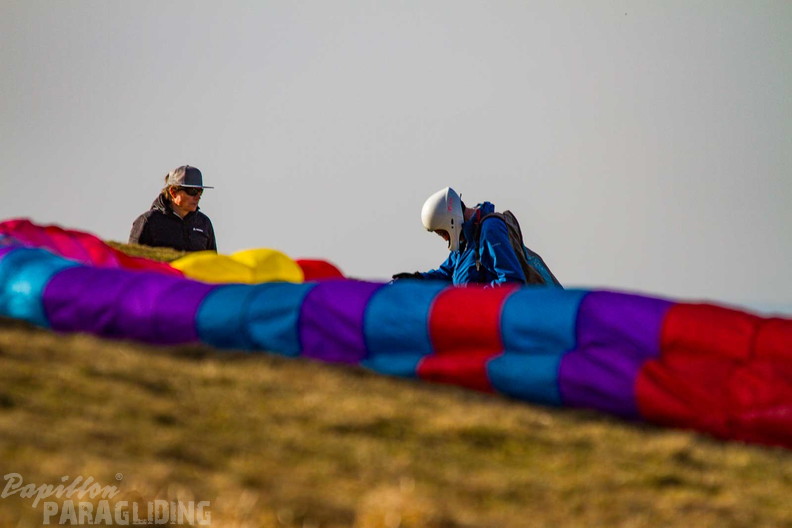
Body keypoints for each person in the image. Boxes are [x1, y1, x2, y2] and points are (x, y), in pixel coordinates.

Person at [393, 187, 559, 287]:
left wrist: (474, 296)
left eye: (442, 232)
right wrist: (416, 279)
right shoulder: (465, 243)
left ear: (451, 220)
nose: (444, 239)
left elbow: (512, 281)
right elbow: (446, 274)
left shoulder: (490, 229)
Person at [129, 165, 217, 252]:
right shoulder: (148, 221)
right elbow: (131, 260)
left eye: (200, 191)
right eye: (192, 191)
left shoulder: (204, 223)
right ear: (173, 192)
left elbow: (213, 263)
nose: (198, 197)